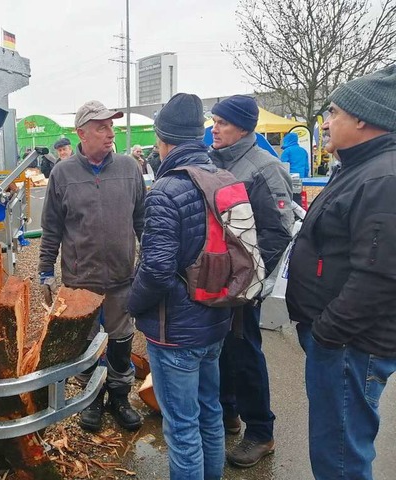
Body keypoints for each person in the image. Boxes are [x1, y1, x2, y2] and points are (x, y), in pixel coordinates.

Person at [286, 65, 396, 480]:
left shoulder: (383, 177)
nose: (326, 123)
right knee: (334, 449)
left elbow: (380, 277)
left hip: (351, 345)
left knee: (341, 460)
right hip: (340, 341)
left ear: (363, 117)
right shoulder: (357, 167)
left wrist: (328, 333)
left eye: (333, 113)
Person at [128, 93, 231, 480]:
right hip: (216, 318)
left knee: (183, 428)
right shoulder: (222, 179)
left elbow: (156, 269)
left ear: (163, 139)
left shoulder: (168, 191)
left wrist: (133, 305)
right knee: (210, 414)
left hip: (176, 332)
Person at [38, 100, 146, 433]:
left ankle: (120, 398)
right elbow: (52, 228)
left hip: (120, 280)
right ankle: (92, 401)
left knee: (120, 340)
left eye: (111, 126)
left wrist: (149, 264)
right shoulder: (62, 173)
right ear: (81, 133)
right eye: (102, 127)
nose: (110, 133)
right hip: (80, 283)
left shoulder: (129, 169)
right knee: (86, 342)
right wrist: (44, 270)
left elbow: (143, 221)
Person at [209, 94, 294, 467]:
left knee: (244, 354)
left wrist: (250, 281)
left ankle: (261, 431)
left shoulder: (264, 167)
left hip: (244, 285)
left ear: (243, 127)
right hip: (214, 282)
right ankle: (229, 413)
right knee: (221, 350)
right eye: (214, 121)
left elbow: (278, 232)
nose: (215, 128)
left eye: (223, 123)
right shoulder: (214, 162)